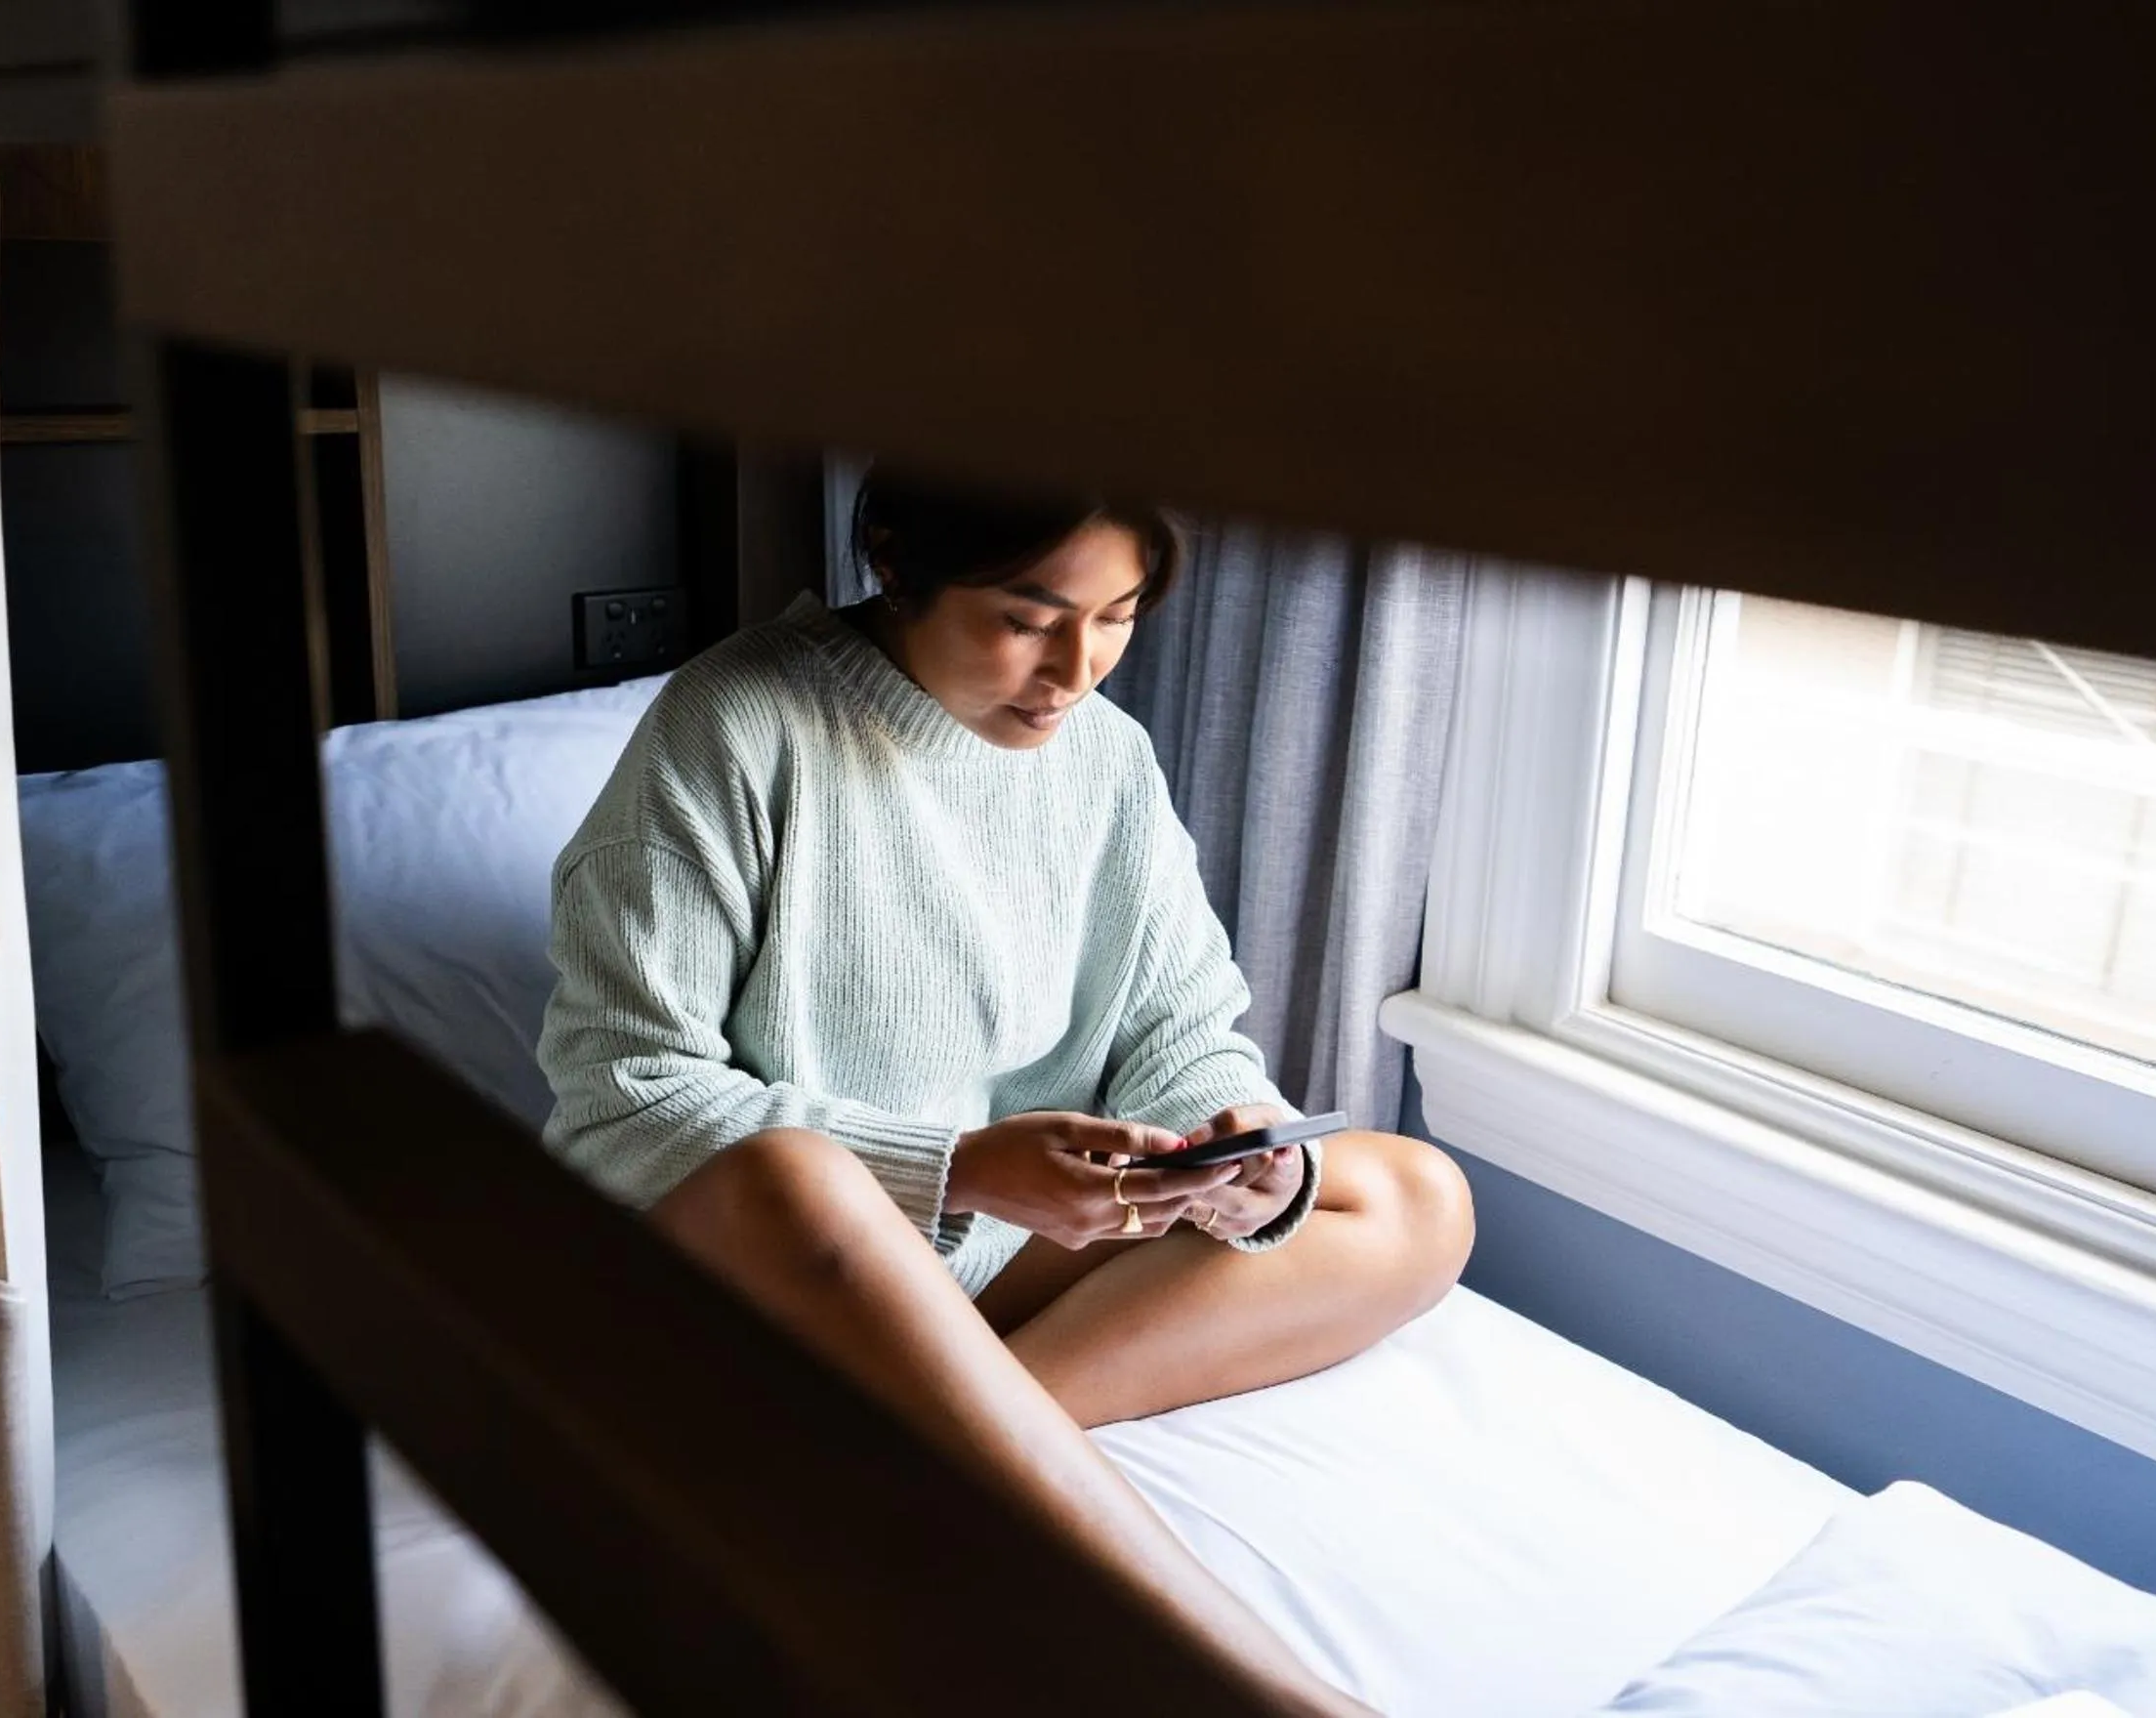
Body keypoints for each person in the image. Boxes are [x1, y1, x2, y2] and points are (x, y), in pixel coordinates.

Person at [538, 468, 1473, 1712]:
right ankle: (1263, 1691)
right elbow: (621, 1093)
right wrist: (964, 1167)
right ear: (893, 559)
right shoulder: (736, 723)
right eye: (1027, 619)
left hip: (985, 1270)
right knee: (796, 1179)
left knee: (1409, 1194)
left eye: (1116, 617)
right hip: (764, 1276)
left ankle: (953, 1444)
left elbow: (1180, 1026)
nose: (1074, 671)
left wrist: (1239, 1147)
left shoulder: (1106, 759)